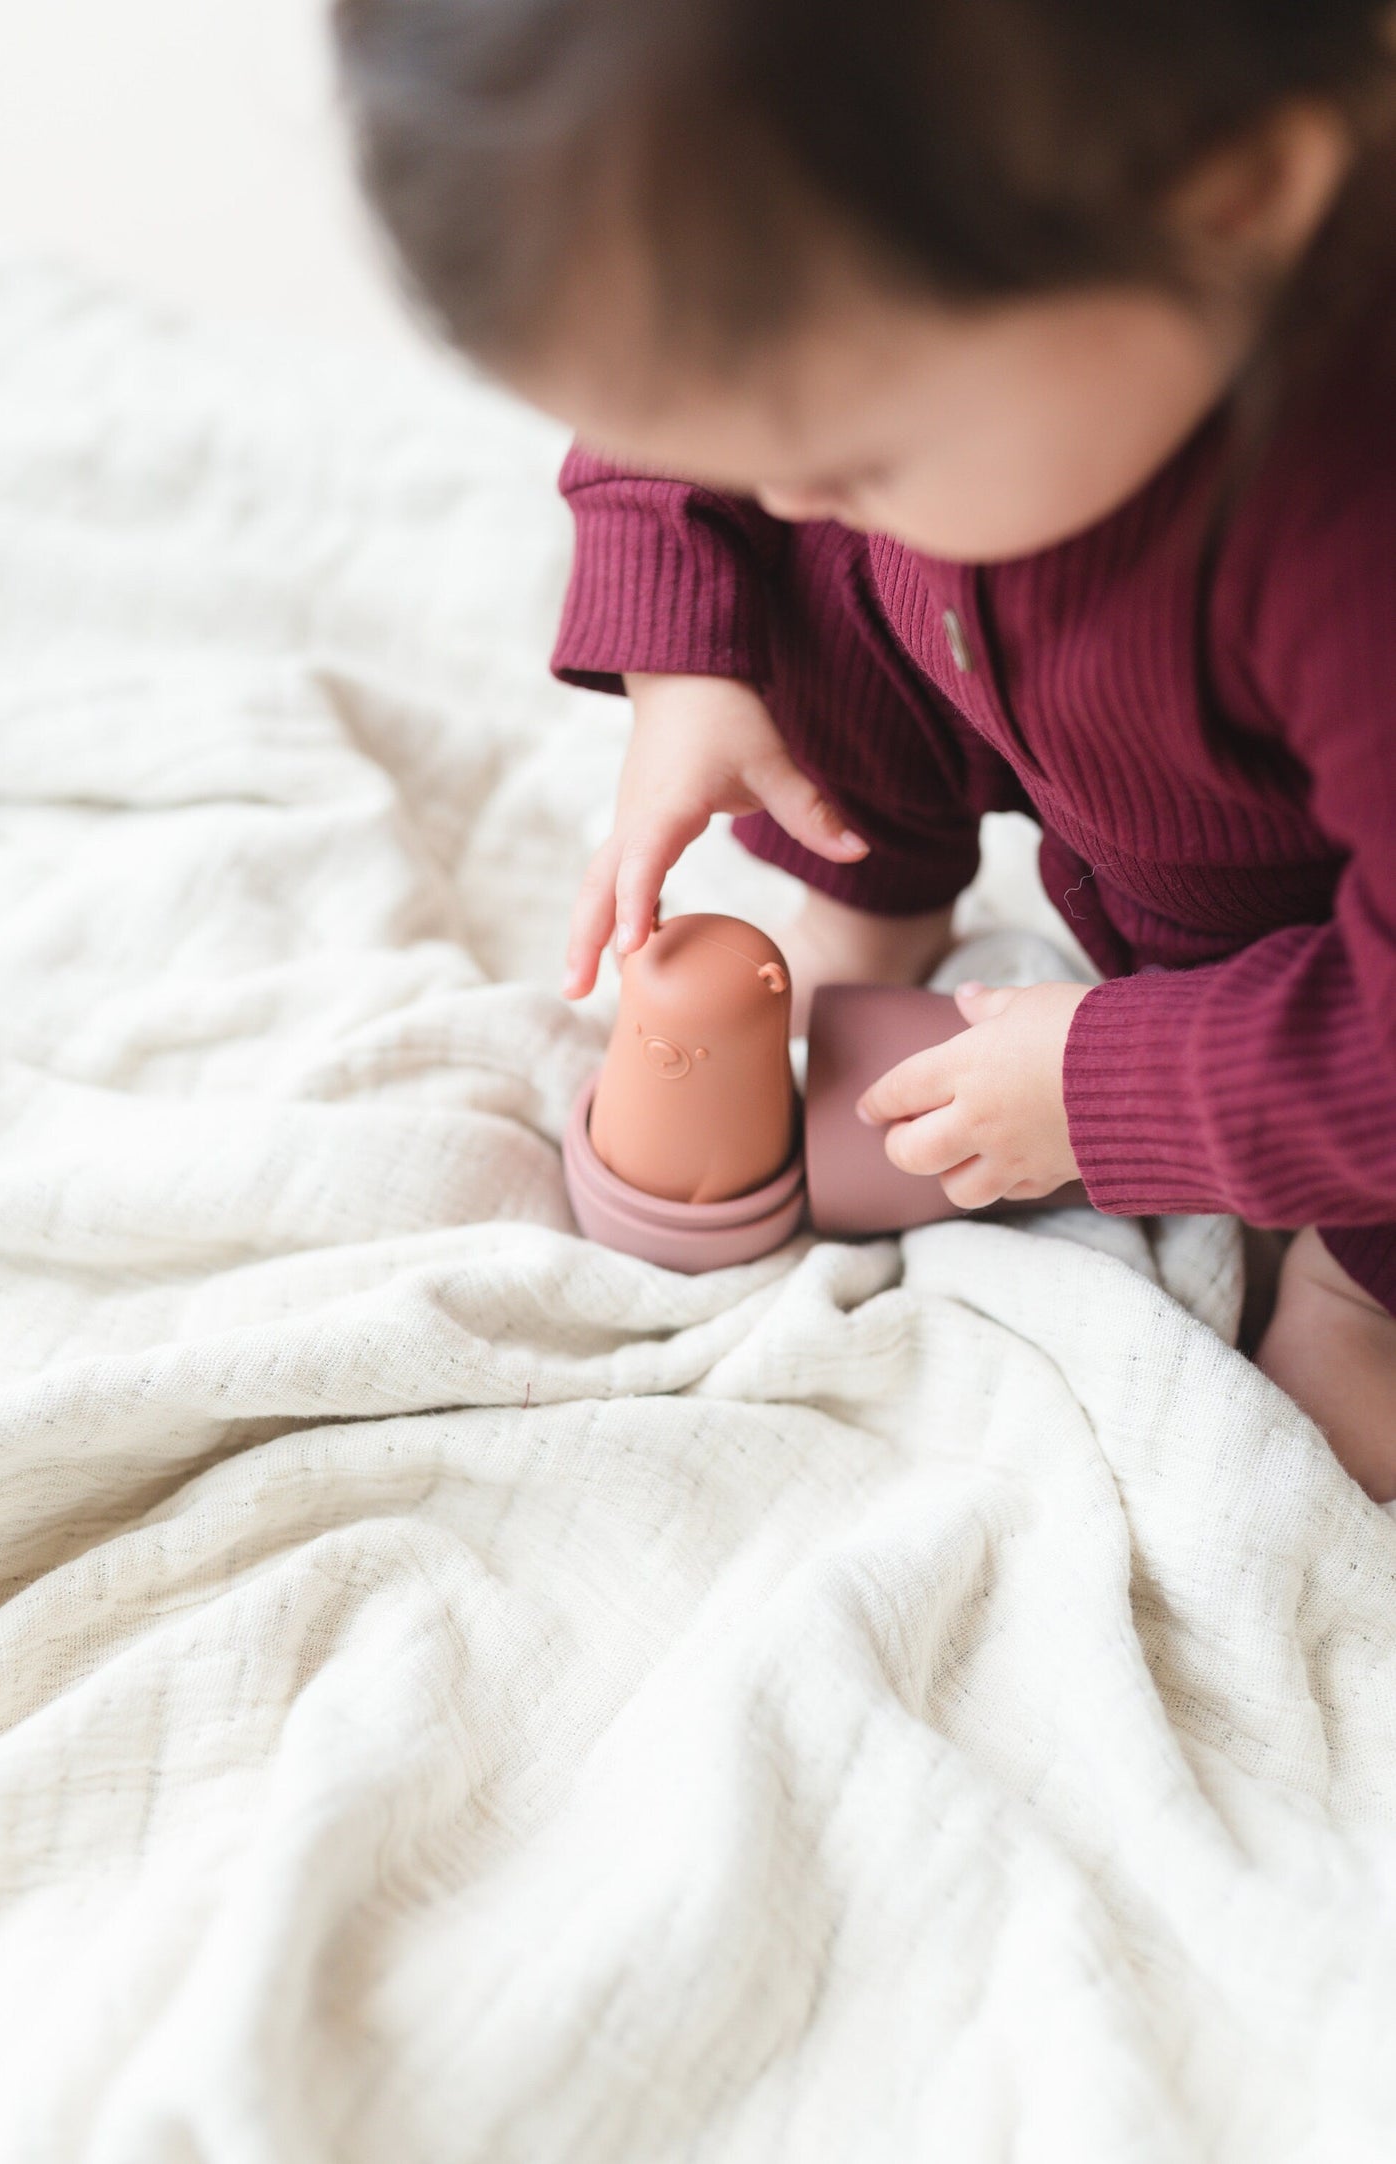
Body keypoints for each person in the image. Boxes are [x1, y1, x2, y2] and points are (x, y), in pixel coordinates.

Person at [336, 0, 1396, 1496]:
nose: (772, 489)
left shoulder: (1356, 554)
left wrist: (1106, 1084)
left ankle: (1365, 1296)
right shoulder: (858, 271)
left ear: (1229, 205)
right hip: (1035, 703)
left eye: (846, 454)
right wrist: (681, 660)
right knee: (803, 574)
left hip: (1325, 945)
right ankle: (868, 886)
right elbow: (699, 380)